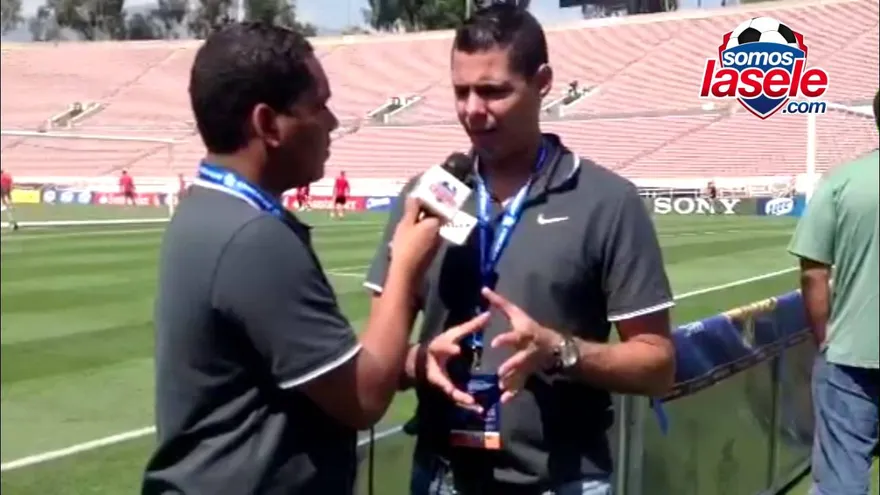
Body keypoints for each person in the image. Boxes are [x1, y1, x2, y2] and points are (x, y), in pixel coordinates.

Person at [142, 22, 481, 495]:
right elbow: (362, 399)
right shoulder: (253, 238)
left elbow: (304, 381)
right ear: (267, 124)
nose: (332, 123)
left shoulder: (208, 209)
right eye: (318, 106)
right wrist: (405, 266)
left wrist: (406, 364)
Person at [364, 5, 676, 494]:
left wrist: (560, 351)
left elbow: (658, 365)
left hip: (564, 481)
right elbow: (378, 353)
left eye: (492, 91)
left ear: (543, 82)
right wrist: (414, 361)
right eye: (460, 91)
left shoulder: (607, 200)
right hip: (441, 477)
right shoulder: (424, 197)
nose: (472, 109)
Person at [787, 89, 879, 495]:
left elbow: (813, 274)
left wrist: (825, 338)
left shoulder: (842, 182)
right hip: (850, 357)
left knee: (841, 480)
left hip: (851, 355)